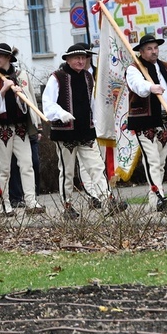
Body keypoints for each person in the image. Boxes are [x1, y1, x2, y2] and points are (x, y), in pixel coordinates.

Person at [43, 43, 128, 219]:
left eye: (83, 58)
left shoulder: (89, 77)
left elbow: (93, 104)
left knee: (97, 167)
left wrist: (99, 121)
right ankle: (67, 207)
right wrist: (61, 113)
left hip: (86, 132)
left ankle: (108, 201)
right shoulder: (57, 78)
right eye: (77, 58)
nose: (81, 61)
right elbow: (47, 103)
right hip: (65, 132)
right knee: (67, 172)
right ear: (68, 59)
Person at [126, 34, 167, 212]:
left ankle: (154, 197)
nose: (154, 51)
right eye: (149, 48)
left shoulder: (166, 67)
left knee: (161, 161)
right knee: (152, 160)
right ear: (141, 51)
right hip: (144, 120)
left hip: (165, 118)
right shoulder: (134, 68)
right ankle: (159, 196)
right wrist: (151, 87)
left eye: (155, 48)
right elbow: (138, 86)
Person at [0, 43, 46, 216]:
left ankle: (31, 202)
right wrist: (3, 89)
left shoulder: (21, 75)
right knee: (4, 169)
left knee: (27, 165)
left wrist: (20, 96)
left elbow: (30, 100)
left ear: (8, 58)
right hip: (1, 130)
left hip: (21, 128)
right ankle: (5, 205)